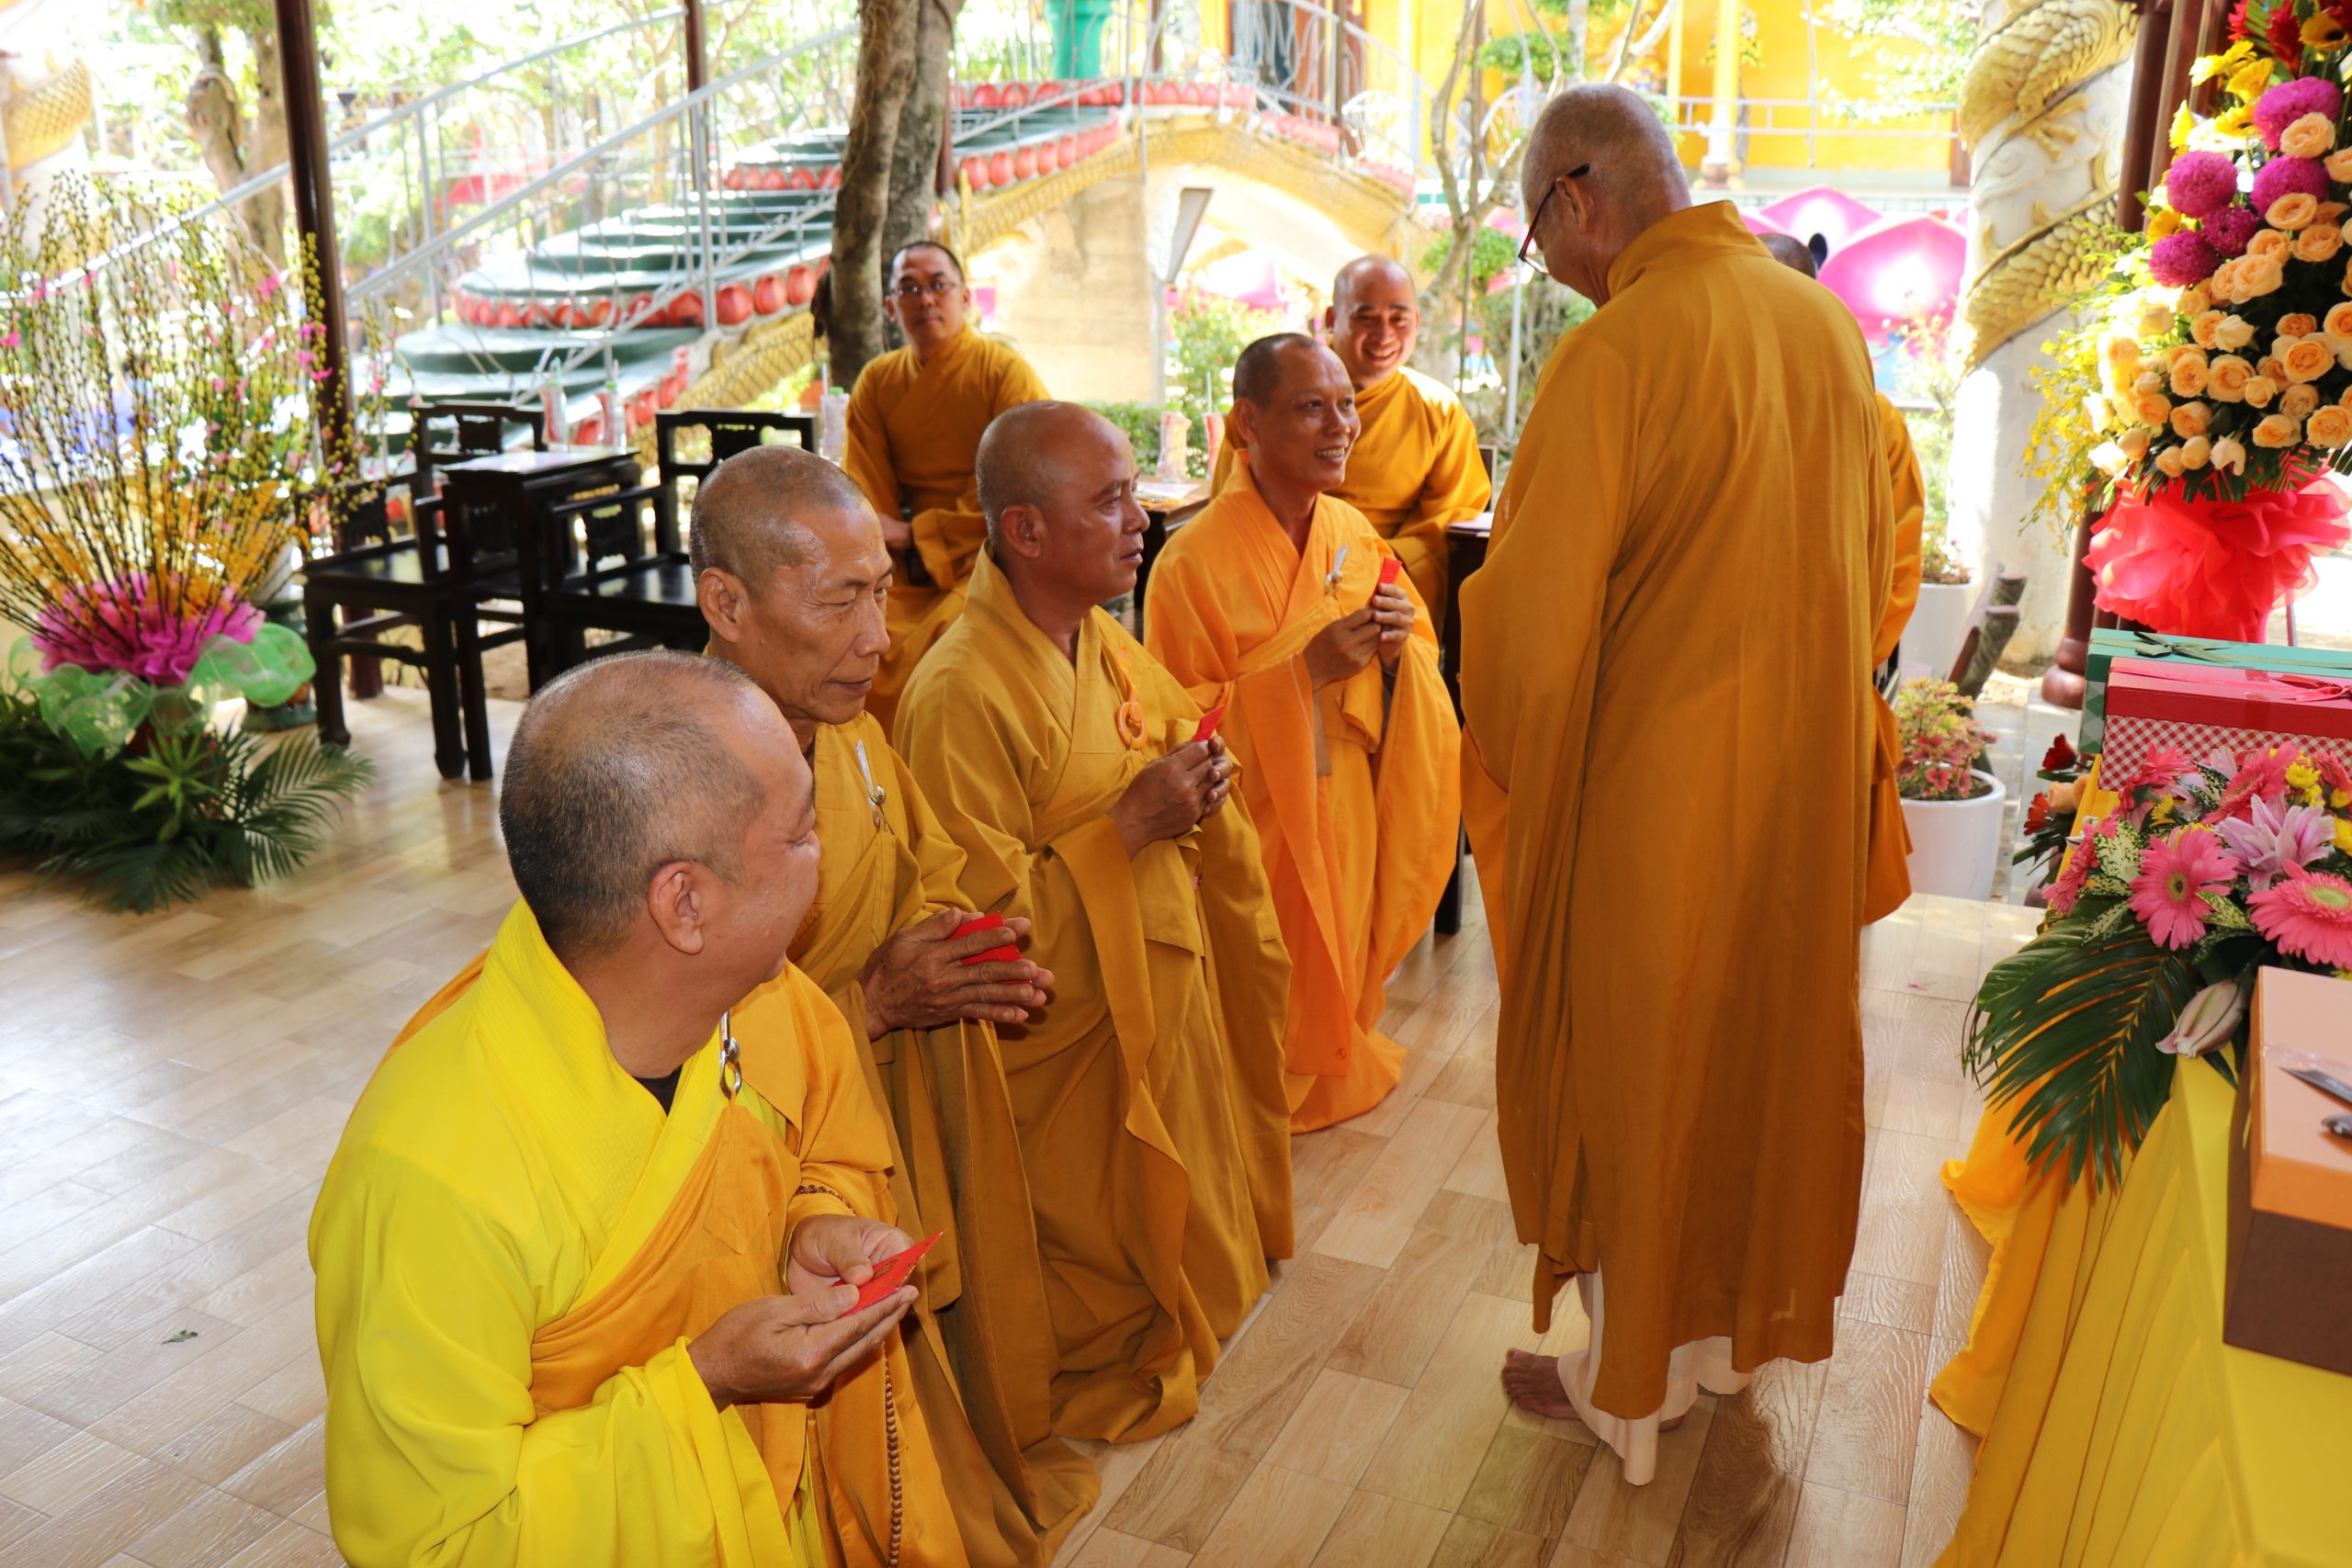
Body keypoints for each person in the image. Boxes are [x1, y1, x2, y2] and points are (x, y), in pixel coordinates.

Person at [311, 650, 972, 1565]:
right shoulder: (432, 1177)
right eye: (801, 832)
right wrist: (707, 1382)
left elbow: (823, 1146)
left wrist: (809, 1224)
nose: (826, 851)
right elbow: (441, 1543)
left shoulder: (766, 999)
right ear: (684, 902)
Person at [1467, 84, 1892, 1485]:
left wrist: (1497, 735)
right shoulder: (1822, 329)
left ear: (1580, 196)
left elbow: (1532, 629)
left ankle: (1629, 1385)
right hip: (1797, 790)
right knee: (1755, 1062)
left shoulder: (1618, 349)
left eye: (1537, 236)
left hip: (1652, 800)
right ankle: (1725, 1350)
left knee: (1638, 1076)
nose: (1548, 266)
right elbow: (1878, 553)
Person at [695, 444, 1102, 1564]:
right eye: (840, 603)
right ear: (726, 605)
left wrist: (962, 942)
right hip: (767, 1197)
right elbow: (666, 1048)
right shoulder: (679, 787)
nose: (879, 639)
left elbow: (927, 867)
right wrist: (869, 1001)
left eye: (881, 592)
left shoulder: (857, 735)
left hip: (878, 1116)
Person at [892, 400, 1296, 1444]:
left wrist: (1198, 771)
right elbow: (980, 939)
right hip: (1067, 1041)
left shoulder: (1099, 638)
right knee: (1096, 1247)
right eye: (1111, 500)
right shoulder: (959, 691)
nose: (1140, 519)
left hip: (1155, 991)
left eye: (1133, 495)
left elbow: (1168, 727)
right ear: (1025, 531)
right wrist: (1128, 827)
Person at [1147, 333, 1460, 1131]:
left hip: (1344, 792)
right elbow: (1175, 725)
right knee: (1265, 957)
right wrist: (1301, 674)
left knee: (1341, 931)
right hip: (1252, 818)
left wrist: (1398, 653)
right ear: (1248, 422)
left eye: (1346, 404)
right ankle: (1258, 1082)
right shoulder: (1190, 562)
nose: (1341, 425)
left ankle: (1336, 1055)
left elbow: (1418, 663)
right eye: (1312, 407)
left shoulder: (1353, 534)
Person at [1763, 230, 1927, 921]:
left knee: (1809, 891)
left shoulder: (1873, 418)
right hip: (1716, 679)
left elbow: (1898, 564)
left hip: (1828, 682)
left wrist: (1840, 665)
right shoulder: (1709, 400)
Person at [1209, 254, 1489, 620]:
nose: (1384, 334)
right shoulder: (1269, 399)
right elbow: (1231, 503)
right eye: (1366, 317)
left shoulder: (1437, 410)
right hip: (1274, 581)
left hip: (1383, 589)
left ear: (1417, 322)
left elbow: (1449, 519)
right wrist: (1302, 568)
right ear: (1332, 319)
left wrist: (1366, 567)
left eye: (1399, 319)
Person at [843, 241, 1050, 733]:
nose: (925, 299)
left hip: (992, 561)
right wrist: (885, 552)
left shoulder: (1003, 373)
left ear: (965, 297)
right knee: (859, 636)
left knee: (941, 640)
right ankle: (866, 767)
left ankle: (930, 762)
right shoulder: (877, 382)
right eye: (909, 289)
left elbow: (1030, 486)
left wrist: (916, 534)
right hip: (906, 570)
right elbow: (864, 492)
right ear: (891, 307)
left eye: (938, 285)